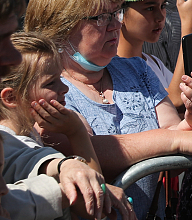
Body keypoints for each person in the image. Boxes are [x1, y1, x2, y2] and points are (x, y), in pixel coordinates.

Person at [24, 0, 192, 219]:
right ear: (63, 25)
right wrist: (175, 139)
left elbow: (178, 148)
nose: (114, 25)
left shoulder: (136, 69)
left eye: (115, 14)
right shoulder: (47, 85)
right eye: (101, 18)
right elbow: (78, 149)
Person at [0, 31, 137, 220]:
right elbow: (96, 211)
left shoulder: (29, 132)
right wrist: (77, 133)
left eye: (61, 78)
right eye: (51, 83)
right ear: (11, 97)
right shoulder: (9, 140)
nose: (64, 89)